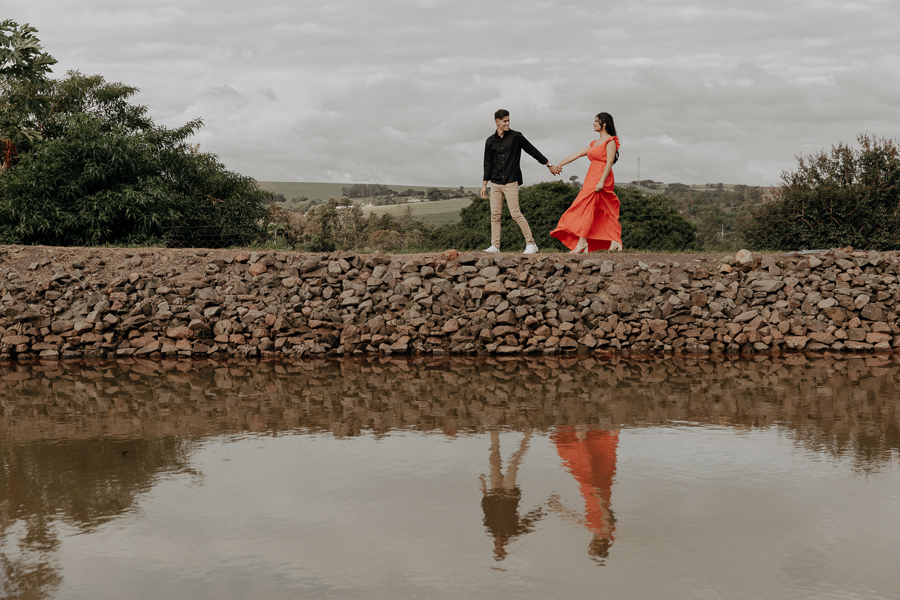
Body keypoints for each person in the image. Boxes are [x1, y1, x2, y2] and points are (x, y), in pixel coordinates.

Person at [481, 109, 558, 254]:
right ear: (497, 122)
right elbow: (487, 163)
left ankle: (531, 244)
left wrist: (548, 164)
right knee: (495, 215)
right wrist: (485, 184)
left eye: (508, 120)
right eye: (504, 121)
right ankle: (495, 246)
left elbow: (532, 150)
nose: (507, 123)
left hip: (511, 181)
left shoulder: (516, 136)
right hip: (495, 182)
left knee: (515, 213)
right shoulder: (490, 141)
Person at [549, 112, 623, 253]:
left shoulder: (610, 141)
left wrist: (601, 181)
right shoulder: (595, 143)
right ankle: (613, 241)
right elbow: (577, 154)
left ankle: (582, 242)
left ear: (604, 124)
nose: (593, 123)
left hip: (601, 176)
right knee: (600, 209)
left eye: (596, 121)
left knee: (588, 207)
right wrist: (560, 164)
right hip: (591, 176)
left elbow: (609, 162)